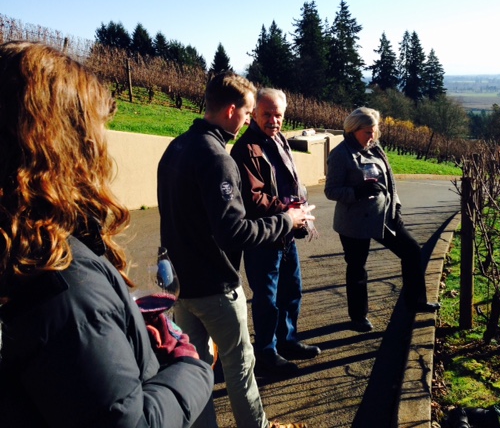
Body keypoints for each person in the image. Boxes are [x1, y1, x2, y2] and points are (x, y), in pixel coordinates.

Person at [0, 41, 214, 427]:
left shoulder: (18, 246)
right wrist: (189, 366)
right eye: (98, 131)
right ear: (65, 144)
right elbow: (127, 421)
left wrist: (124, 336)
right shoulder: (61, 279)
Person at [157, 72, 313, 428]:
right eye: (247, 113)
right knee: (240, 366)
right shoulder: (217, 158)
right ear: (231, 110)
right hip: (214, 286)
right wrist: (287, 220)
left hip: (181, 284)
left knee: (195, 371)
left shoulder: (176, 147)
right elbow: (234, 232)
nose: (247, 121)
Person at [324, 107, 440, 332]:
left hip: (384, 216)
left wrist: (396, 206)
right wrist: (357, 191)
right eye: (368, 132)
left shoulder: (375, 148)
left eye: (375, 131)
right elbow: (331, 190)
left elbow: (390, 180)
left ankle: (416, 301)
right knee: (357, 268)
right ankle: (358, 317)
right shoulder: (340, 154)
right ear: (353, 130)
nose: (372, 136)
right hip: (354, 221)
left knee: (412, 251)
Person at [230, 88, 321, 375]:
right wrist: (288, 209)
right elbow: (252, 199)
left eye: (278, 115)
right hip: (264, 236)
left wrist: (298, 207)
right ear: (254, 114)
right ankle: (267, 352)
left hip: (287, 232)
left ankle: (287, 341)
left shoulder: (279, 140)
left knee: (291, 291)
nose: (273, 120)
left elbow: (290, 181)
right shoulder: (245, 149)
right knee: (267, 299)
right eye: (267, 114)